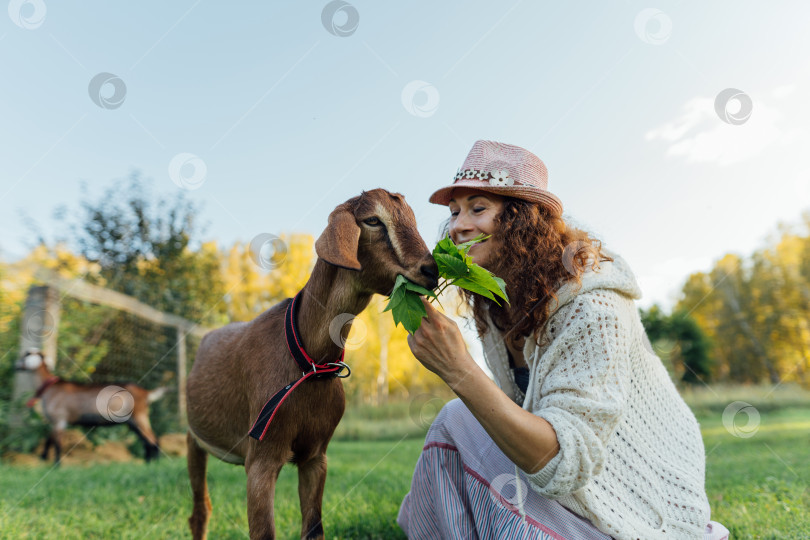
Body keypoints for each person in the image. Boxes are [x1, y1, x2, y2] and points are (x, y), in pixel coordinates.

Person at [397, 140, 730, 540]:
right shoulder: (494, 305)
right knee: (459, 424)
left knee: (456, 416)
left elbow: (565, 465)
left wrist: (460, 370)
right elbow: (513, 425)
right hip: (568, 485)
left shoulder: (594, 308)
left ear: (523, 219)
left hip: (630, 501)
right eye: (454, 213)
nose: (457, 226)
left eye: (477, 208)